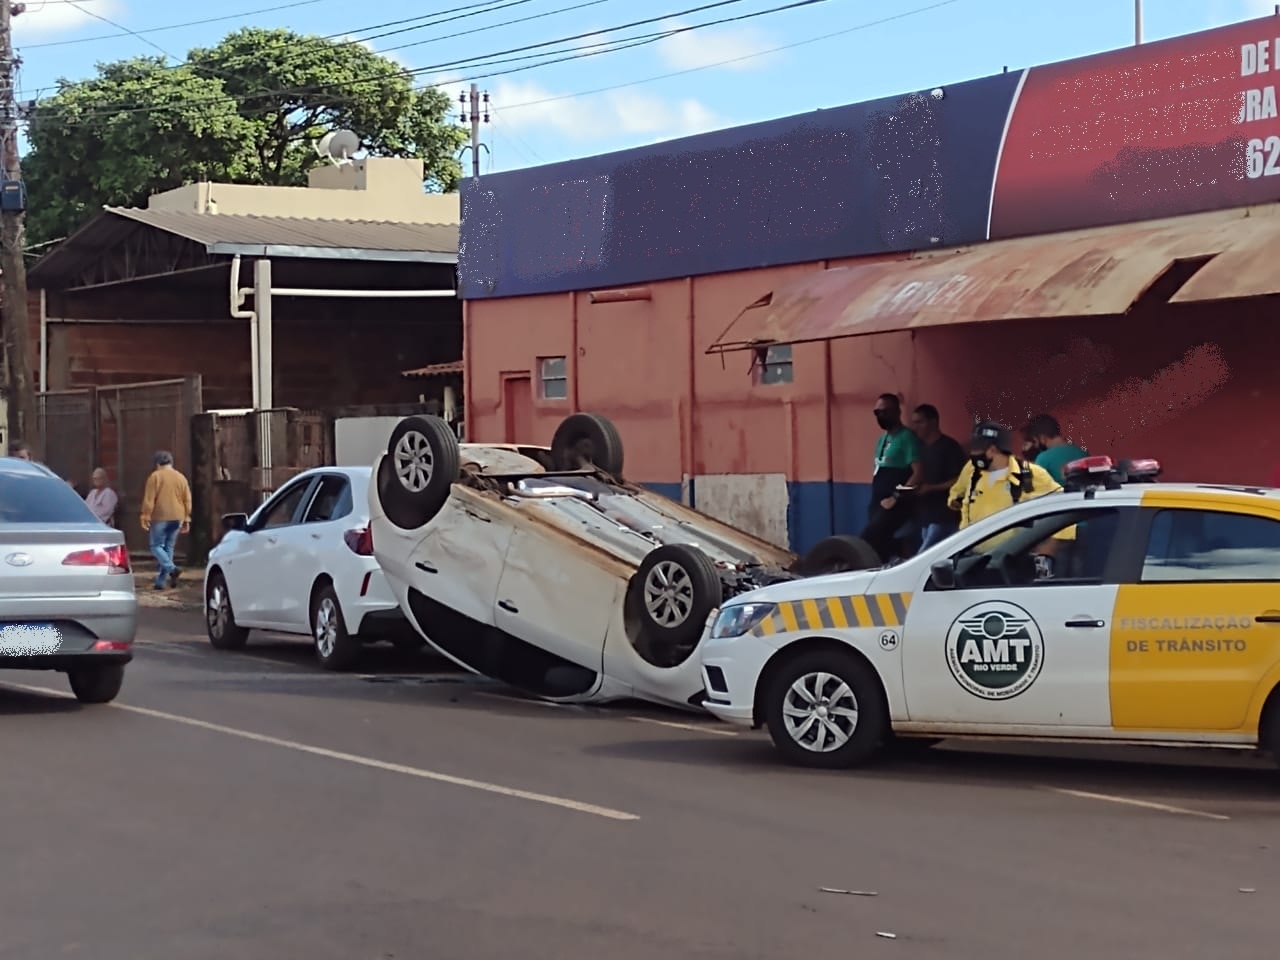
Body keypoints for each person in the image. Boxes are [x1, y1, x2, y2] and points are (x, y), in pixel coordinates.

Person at [948, 421, 1072, 576]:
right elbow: (956, 492)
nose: (973, 453)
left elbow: (1064, 509)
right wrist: (955, 501)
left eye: (977, 448)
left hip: (1011, 562)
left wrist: (1047, 553)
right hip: (971, 560)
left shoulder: (1030, 475)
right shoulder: (971, 470)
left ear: (993, 450)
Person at [860, 393, 923, 562]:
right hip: (877, 500)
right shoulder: (882, 439)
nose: (881, 416)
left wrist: (896, 497)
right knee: (880, 543)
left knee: (867, 539)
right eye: (877, 412)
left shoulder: (907, 438)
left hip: (895, 501)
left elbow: (918, 472)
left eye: (885, 412)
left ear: (897, 412)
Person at [907, 404, 967, 550]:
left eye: (919, 422)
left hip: (943, 516)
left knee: (924, 557)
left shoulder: (949, 447)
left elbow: (959, 480)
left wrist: (931, 488)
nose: (915, 427)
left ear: (933, 422)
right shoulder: (918, 448)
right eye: (914, 423)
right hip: (924, 516)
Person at [140, 450, 192, 591]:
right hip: (178, 516)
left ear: (157, 463)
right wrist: (187, 518)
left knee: (156, 546)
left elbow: (149, 499)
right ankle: (161, 582)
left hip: (160, 516)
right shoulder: (181, 477)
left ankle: (172, 569)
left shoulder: (155, 477)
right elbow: (187, 500)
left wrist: (145, 516)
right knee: (168, 548)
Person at [1023, 413, 1088, 485]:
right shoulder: (1083, 453)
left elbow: (1034, 488)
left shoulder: (1043, 458)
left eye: (1035, 441)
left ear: (1042, 438)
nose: (1035, 445)